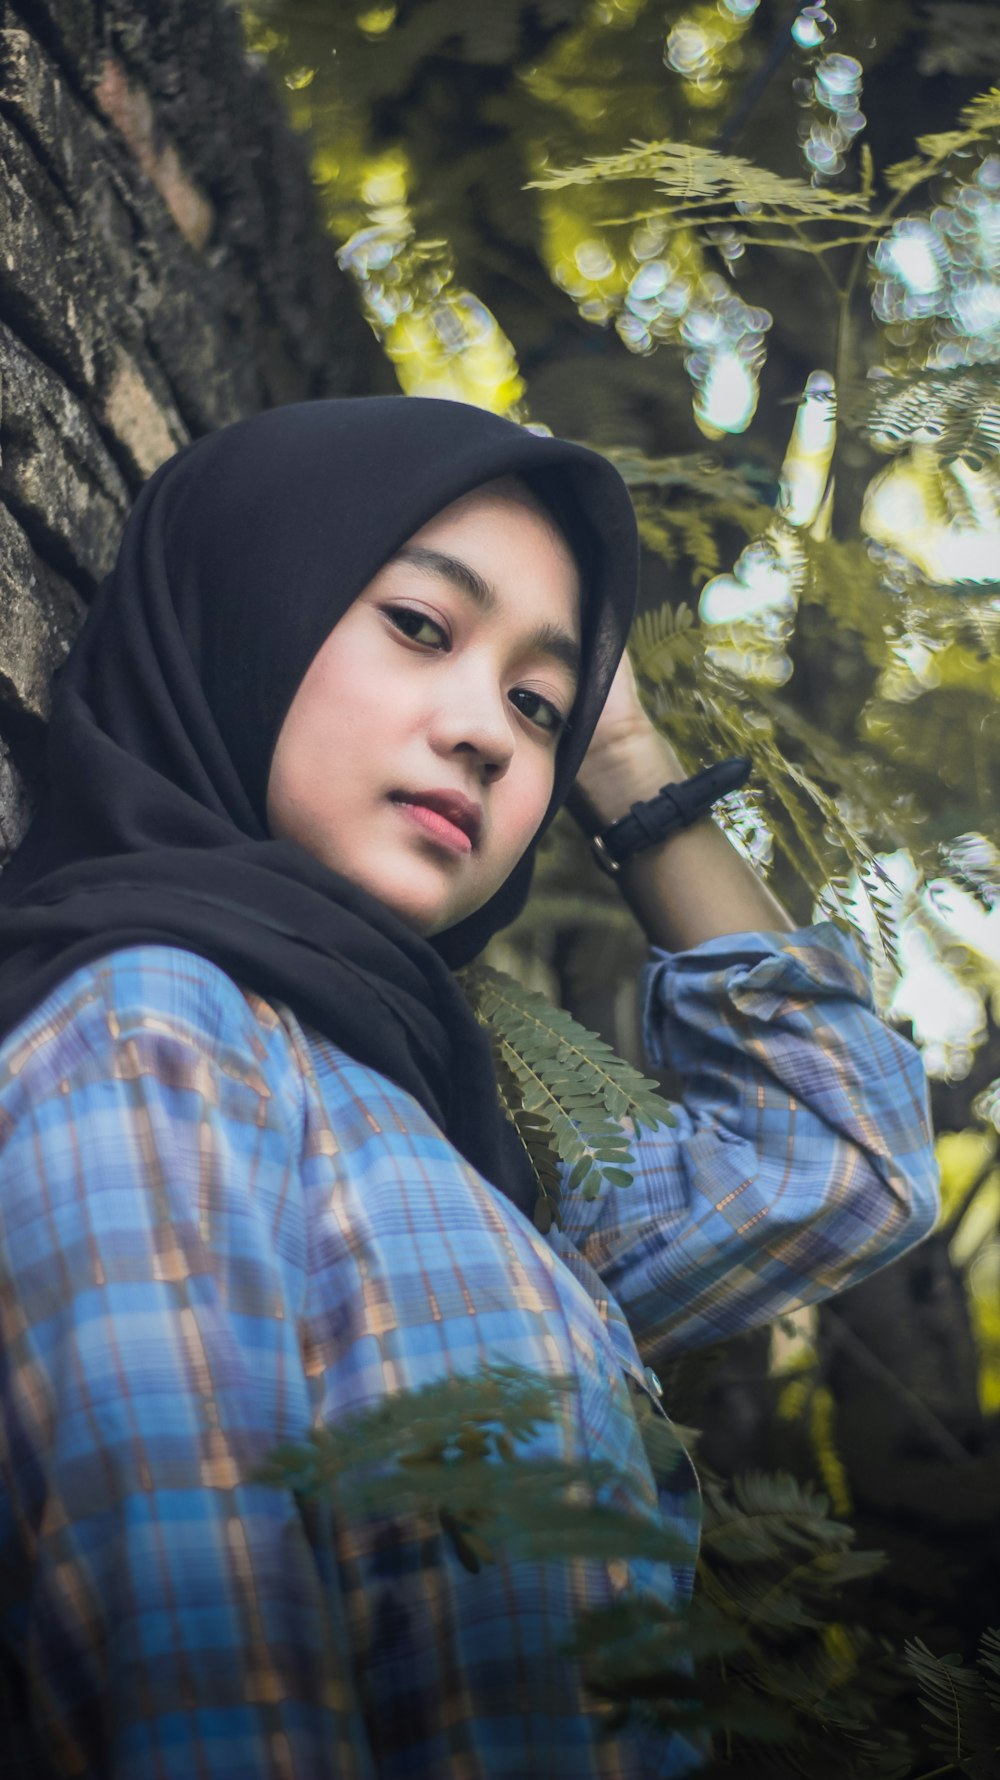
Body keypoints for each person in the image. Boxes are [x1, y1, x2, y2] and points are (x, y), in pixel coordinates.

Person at [0, 396, 938, 1779]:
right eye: (422, 627)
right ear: (246, 601)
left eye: (536, 704)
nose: (492, 736)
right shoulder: (150, 1034)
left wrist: (627, 761)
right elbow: (202, 1696)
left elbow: (845, 1159)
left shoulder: (464, 1149)